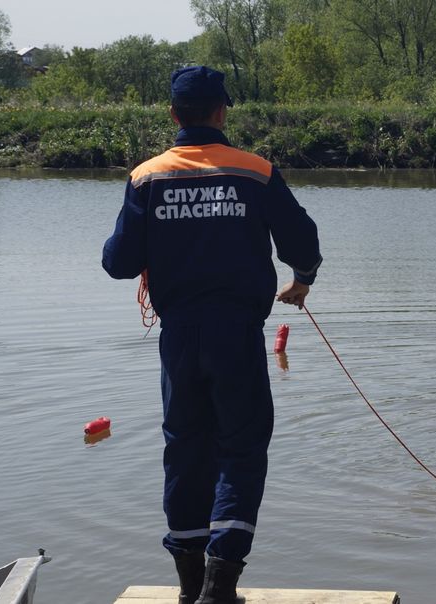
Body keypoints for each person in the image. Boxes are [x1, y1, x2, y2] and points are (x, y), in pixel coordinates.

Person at [102, 66, 322, 604]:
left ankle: (188, 590)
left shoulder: (146, 177)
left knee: (185, 452)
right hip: (237, 336)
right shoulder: (255, 171)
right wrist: (302, 280)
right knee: (241, 452)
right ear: (222, 112)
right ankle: (219, 588)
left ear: (174, 114)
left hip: (178, 338)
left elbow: (118, 263)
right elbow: (302, 238)